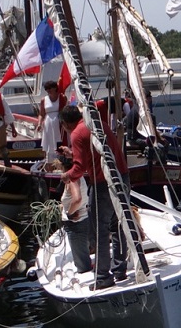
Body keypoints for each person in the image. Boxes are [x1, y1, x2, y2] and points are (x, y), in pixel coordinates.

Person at [59, 105, 130, 290]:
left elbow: (79, 168)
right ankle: (120, 269)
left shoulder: (76, 133)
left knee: (99, 231)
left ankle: (102, 277)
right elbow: (94, 151)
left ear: (66, 123)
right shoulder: (100, 124)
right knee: (118, 224)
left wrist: (67, 176)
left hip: (102, 184)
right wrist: (73, 154)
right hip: (122, 177)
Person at [57, 145, 91, 274]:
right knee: (83, 257)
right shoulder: (78, 175)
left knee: (82, 265)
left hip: (76, 224)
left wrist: (69, 214)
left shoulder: (72, 179)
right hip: (83, 220)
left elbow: (77, 199)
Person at [38, 80, 67, 157]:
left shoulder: (62, 97)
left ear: (55, 88)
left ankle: (61, 159)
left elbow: (66, 110)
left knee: (60, 141)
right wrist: (39, 124)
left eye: (50, 88)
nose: (48, 90)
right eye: (46, 89)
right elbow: (41, 114)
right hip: (48, 124)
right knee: (49, 143)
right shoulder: (44, 100)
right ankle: (50, 161)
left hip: (60, 123)